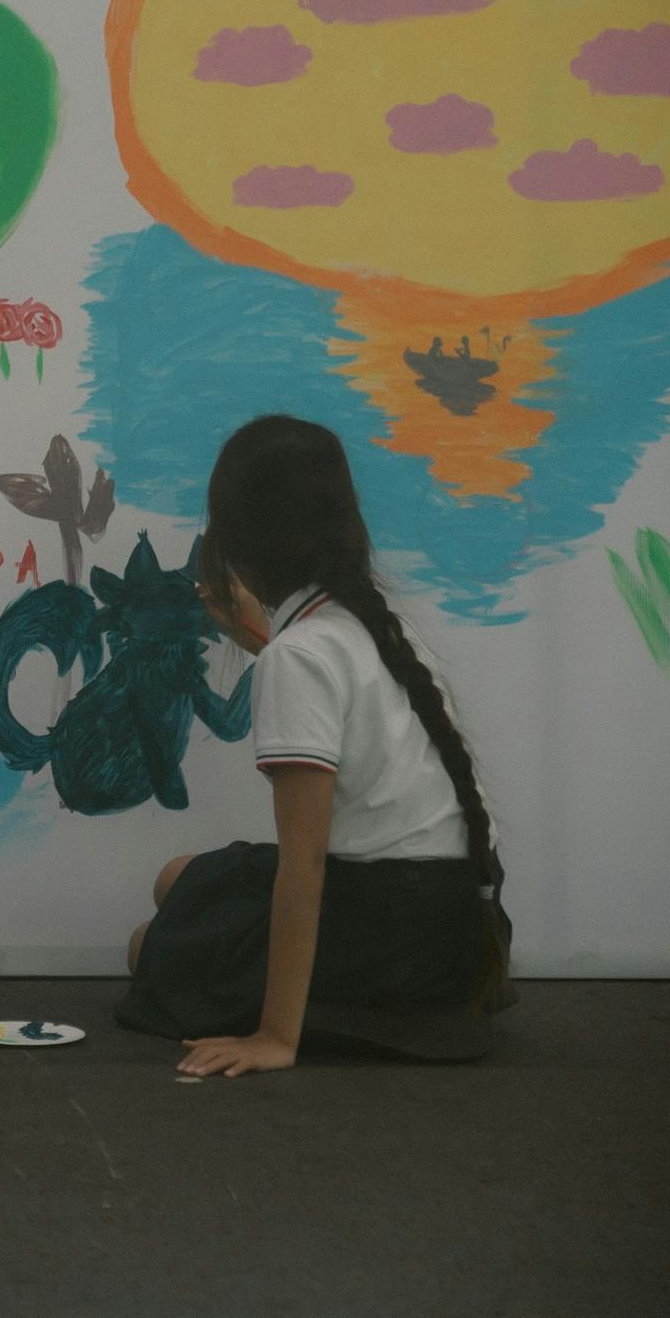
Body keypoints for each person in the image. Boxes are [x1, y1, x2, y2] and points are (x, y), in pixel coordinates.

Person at [121, 415, 514, 1074]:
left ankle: (324, 1012)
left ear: (236, 537)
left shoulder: (302, 653)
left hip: (389, 938)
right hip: (448, 922)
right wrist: (263, 643)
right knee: (175, 879)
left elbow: (303, 866)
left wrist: (276, 1037)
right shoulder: (367, 626)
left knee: (145, 947)